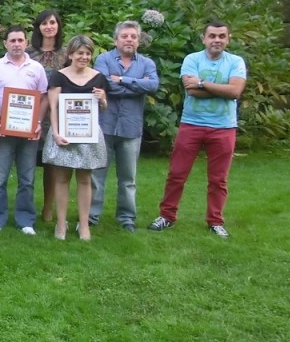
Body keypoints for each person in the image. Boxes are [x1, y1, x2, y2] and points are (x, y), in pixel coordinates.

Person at [149, 21, 246, 238]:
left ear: (228, 39)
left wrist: (202, 83)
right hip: (191, 124)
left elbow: (235, 92)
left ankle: (215, 221)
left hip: (223, 127)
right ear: (203, 38)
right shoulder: (192, 59)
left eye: (221, 36)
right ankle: (167, 216)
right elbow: (191, 91)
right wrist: (220, 89)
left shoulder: (236, 62)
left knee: (218, 179)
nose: (217, 40)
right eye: (212, 36)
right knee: (177, 173)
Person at [90, 20, 159, 232]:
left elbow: (153, 85)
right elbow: (103, 84)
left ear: (138, 41)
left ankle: (127, 218)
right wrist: (137, 85)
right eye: (124, 36)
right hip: (105, 125)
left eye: (133, 37)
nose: (129, 40)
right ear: (116, 40)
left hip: (131, 128)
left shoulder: (147, 63)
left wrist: (121, 80)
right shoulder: (103, 59)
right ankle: (91, 216)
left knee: (128, 178)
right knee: (96, 175)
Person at [43, 35, 110, 241]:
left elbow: (103, 107)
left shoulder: (98, 77)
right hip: (64, 134)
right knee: (62, 178)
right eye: (80, 53)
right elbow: (53, 108)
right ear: (70, 54)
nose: (84, 57)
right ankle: (61, 224)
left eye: (88, 53)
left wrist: (102, 99)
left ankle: (84, 224)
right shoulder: (58, 76)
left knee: (85, 179)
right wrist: (55, 133)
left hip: (88, 135)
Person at [0, 26, 49, 235]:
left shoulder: (36, 68)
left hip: (29, 132)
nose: (17, 44)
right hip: (2, 131)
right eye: (12, 40)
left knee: (27, 179)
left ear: (26, 42)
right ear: (5, 43)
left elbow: (43, 97)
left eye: (20, 40)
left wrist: (38, 122)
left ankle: (25, 220)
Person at [26, 9, 68, 223]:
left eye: (52, 22)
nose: (48, 27)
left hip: (57, 115)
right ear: (38, 27)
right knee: (27, 162)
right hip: (29, 113)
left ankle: (48, 207)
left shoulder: (67, 54)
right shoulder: (28, 53)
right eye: (44, 23)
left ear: (58, 26)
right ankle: (26, 207)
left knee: (52, 163)